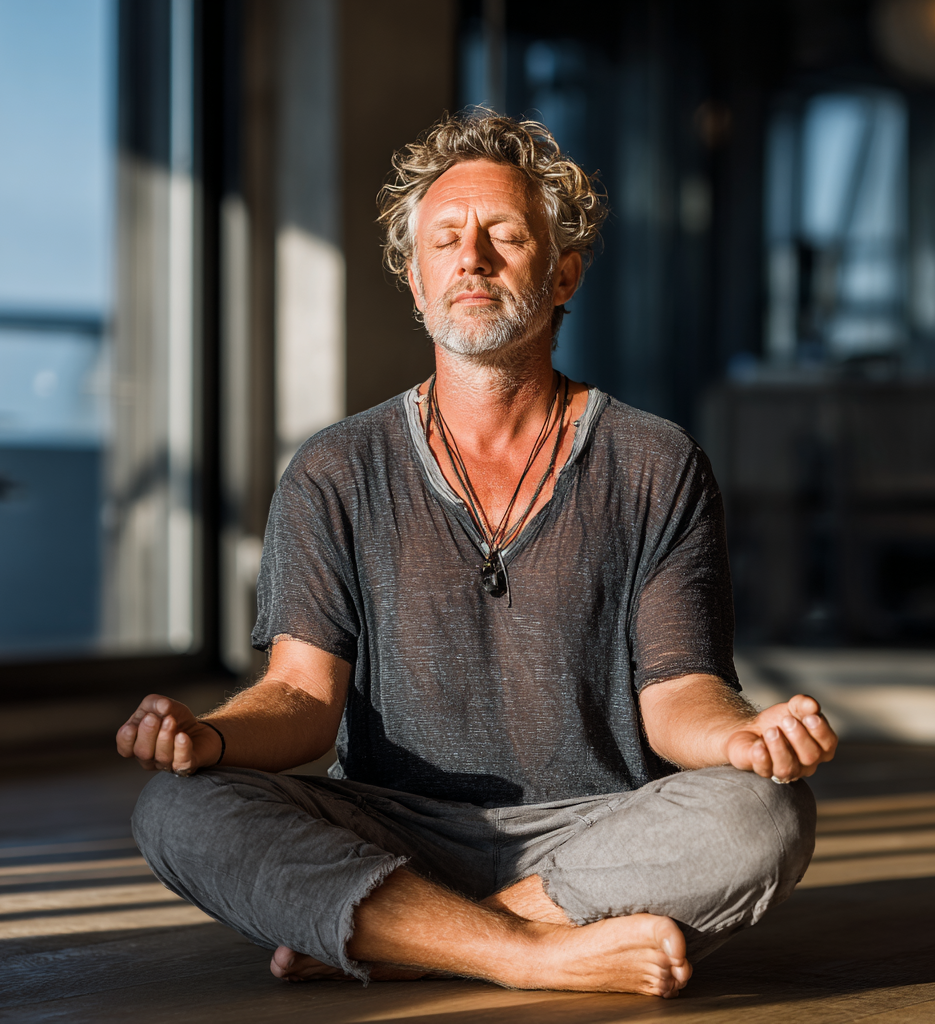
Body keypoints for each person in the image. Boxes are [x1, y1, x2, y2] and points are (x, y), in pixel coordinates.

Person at [118, 111, 837, 1000]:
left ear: (562, 271)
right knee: (178, 806)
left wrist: (743, 736)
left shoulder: (654, 460)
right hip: (391, 831)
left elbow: (679, 694)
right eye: (446, 240)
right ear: (416, 283)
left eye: (505, 234)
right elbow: (302, 701)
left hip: (600, 833)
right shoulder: (336, 469)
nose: (473, 258)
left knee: (763, 811)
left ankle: (410, 935)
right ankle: (530, 950)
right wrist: (211, 736)